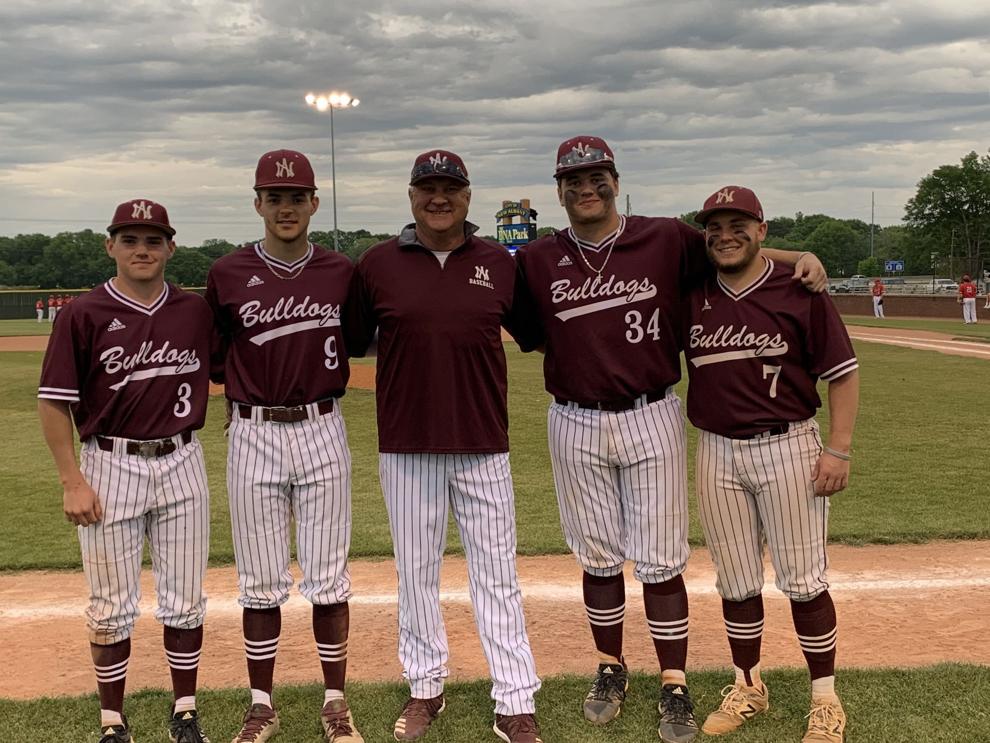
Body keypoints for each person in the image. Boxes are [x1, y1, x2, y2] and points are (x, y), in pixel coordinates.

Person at [512, 136, 826, 743]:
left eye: (597, 175)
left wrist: (796, 256)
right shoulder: (537, 259)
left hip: (651, 410)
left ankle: (673, 682)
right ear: (558, 190)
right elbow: (530, 332)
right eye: (572, 179)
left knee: (661, 560)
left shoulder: (663, 236)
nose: (586, 187)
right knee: (597, 556)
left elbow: (733, 250)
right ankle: (610, 668)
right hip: (573, 417)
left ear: (615, 180)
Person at [346, 150, 543, 743]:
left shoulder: (499, 263)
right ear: (411, 196)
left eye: (450, 188)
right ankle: (425, 688)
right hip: (406, 446)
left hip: (484, 443)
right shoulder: (377, 264)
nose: (439, 198)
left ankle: (514, 700)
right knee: (416, 575)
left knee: (497, 576)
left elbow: (534, 334)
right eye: (427, 188)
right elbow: (355, 340)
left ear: (467, 196)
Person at [684, 186, 858, 743]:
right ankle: (747, 683)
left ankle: (825, 699)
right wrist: (793, 251)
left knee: (804, 582)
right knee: (734, 581)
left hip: (788, 446)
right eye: (715, 226)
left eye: (739, 224)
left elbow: (843, 373)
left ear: (762, 230)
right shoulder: (693, 289)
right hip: (715, 449)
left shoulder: (798, 288)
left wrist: (838, 448)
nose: (724, 234)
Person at [37, 199, 214, 743]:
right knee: (111, 604)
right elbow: (53, 402)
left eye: (153, 240)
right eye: (130, 239)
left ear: (170, 247)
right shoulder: (82, 313)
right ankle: (113, 721)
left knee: (185, 597)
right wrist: (72, 480)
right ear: (109, 245)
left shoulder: (194, 310)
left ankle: (185, 711)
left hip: (183, 459)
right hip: (110, 464)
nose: (142, 249)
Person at [205, 149, 362, 743]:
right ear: (258, 205)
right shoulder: (226, 273)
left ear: (314, 203)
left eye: (297, 197)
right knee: (260, 579)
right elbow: (214, 355)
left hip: (322, 425)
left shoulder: (339, 271)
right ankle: (261, 705)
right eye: (275, 197)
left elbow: (360, 338)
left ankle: (335, 703)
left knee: (329, 577)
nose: (287, 207)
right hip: (253, 431)